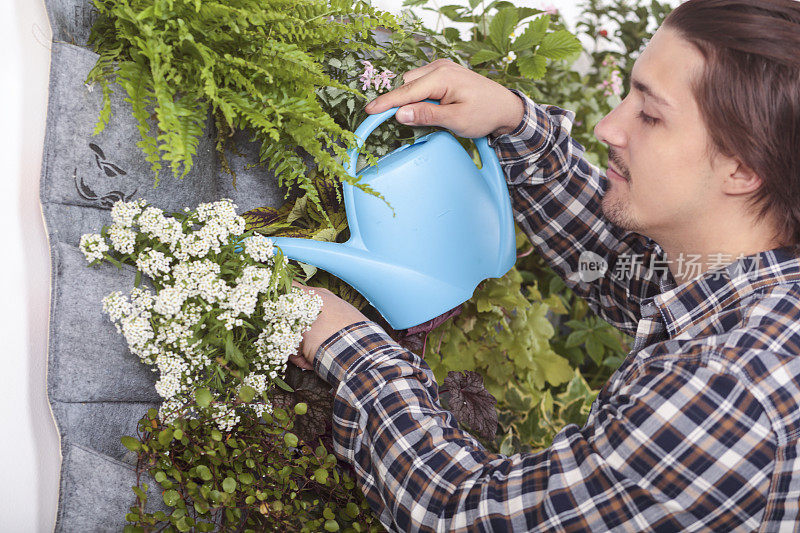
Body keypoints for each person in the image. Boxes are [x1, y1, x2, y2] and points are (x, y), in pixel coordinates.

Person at [288, 0, 800, 530]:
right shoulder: (754, 288)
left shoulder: (732, 390)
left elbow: (462, 514)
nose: (608, 127)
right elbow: (617, 266)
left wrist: (351, 348)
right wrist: (513, 121)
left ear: (743, 167)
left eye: (650, 114)